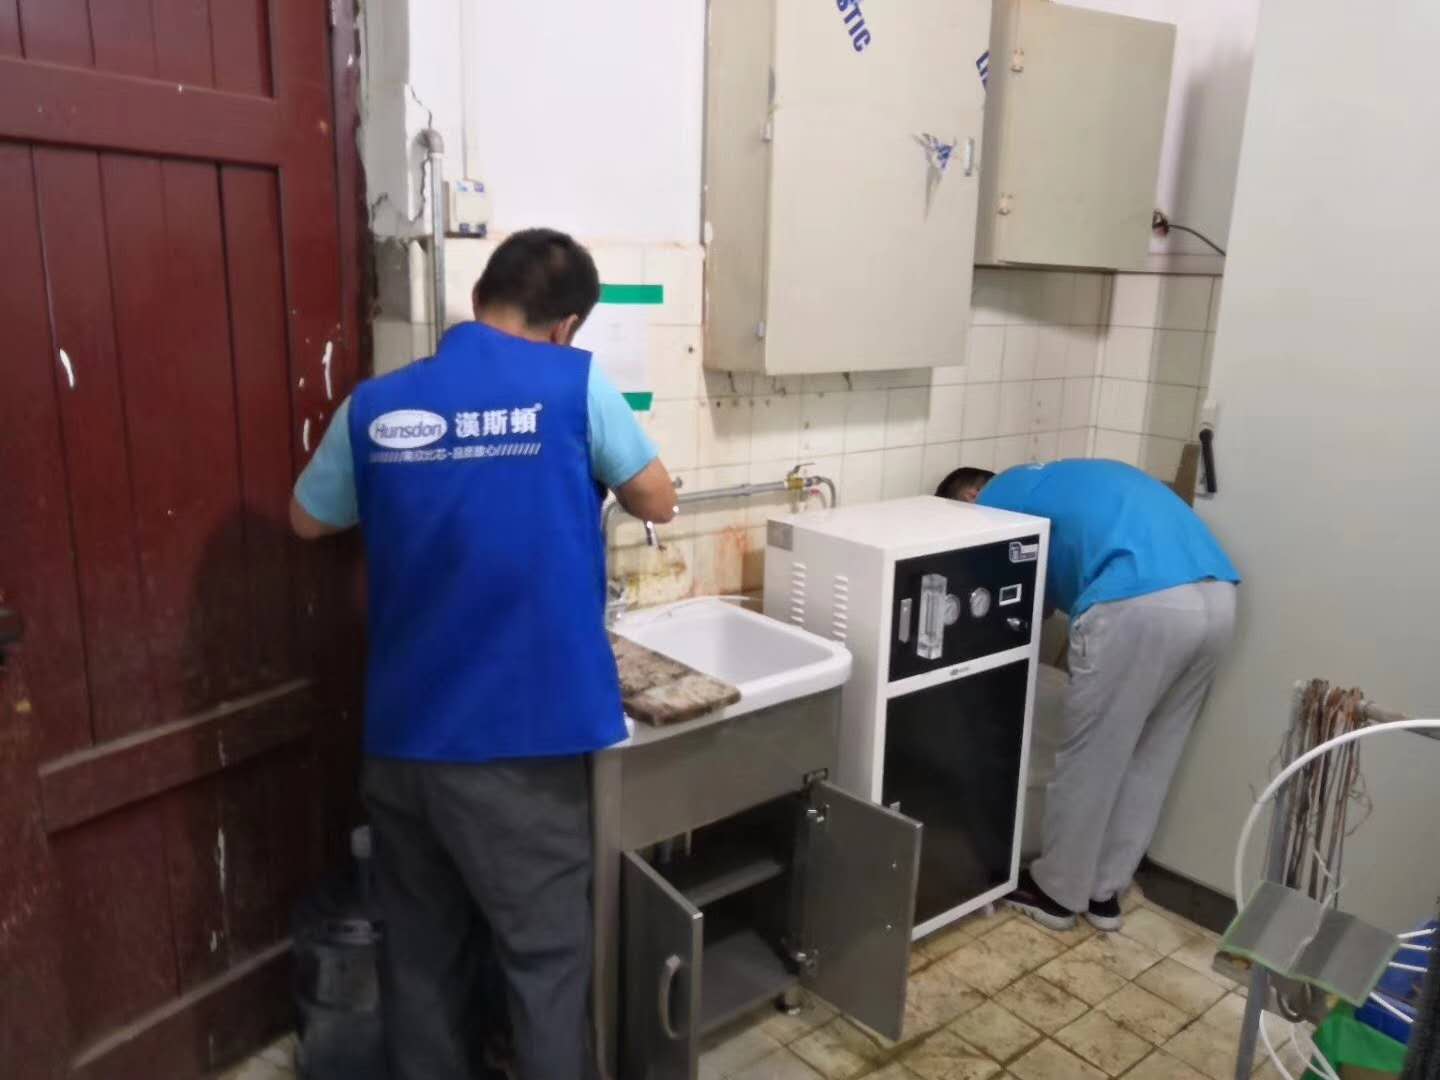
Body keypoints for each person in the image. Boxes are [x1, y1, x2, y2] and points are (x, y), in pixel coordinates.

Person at [289, 228, 676, 1080]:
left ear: (477, 300)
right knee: (544, 960)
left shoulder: (374, 406)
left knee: (422, 957)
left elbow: (307, 519)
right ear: (567, 326)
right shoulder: (574, 385)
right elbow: (657, 499)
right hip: (522, 750)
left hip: (403, 742)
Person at [936, 460, 1239, 932]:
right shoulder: (1051, 481)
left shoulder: (995, 504)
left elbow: (1013, 610)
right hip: (1218, 597)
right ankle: (1105, 891)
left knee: (1091, 756)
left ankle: (1056, 892)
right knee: (1153, 754)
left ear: (970, 498)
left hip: (1139, 601)